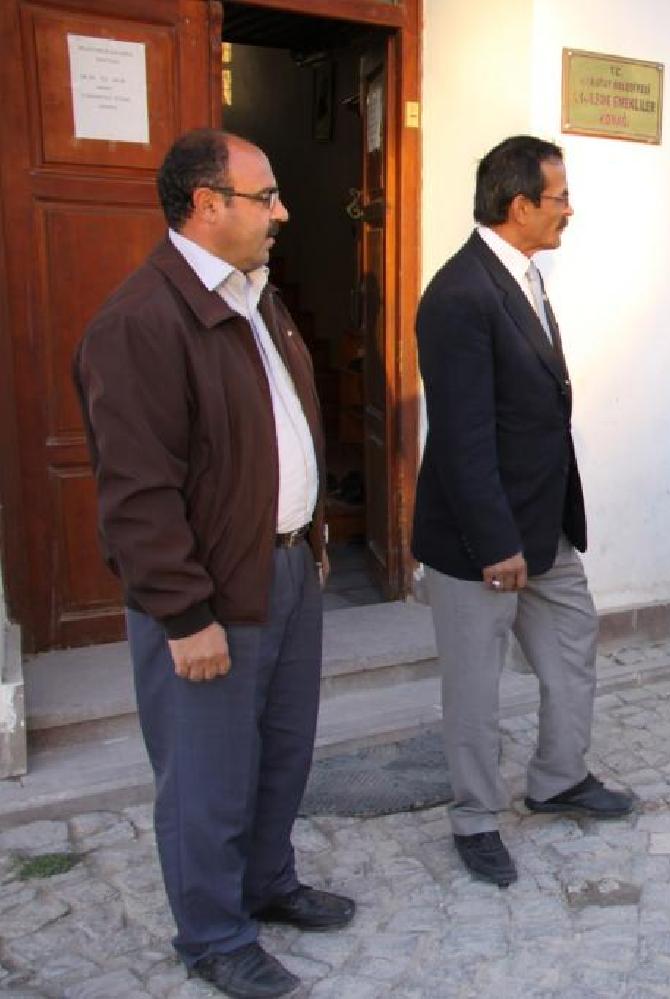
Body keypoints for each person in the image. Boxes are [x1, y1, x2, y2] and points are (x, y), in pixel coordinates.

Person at [74, 129, 352, 999]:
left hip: (284, 571)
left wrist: (310, 539)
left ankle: (266, 881)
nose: (283, 212)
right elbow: (138, 493)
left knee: (282, 749)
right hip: (207, 592)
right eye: (265, 197)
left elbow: (278, 431)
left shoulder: (257, 297)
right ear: (206, 204)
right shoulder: (142, 321)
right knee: (205, 773)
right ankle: (214, 934)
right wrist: (184, 613)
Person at [412, 135, 635, 889]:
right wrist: (495, 542)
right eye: (559, 198)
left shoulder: (524, 276)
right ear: (519, 205)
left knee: (572, 645)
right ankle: (476, 819)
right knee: (475, 688)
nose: (569, 210)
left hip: (544, 527)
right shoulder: (459, 295)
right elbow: (462, 436)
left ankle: (558, 778)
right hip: (481, 540)